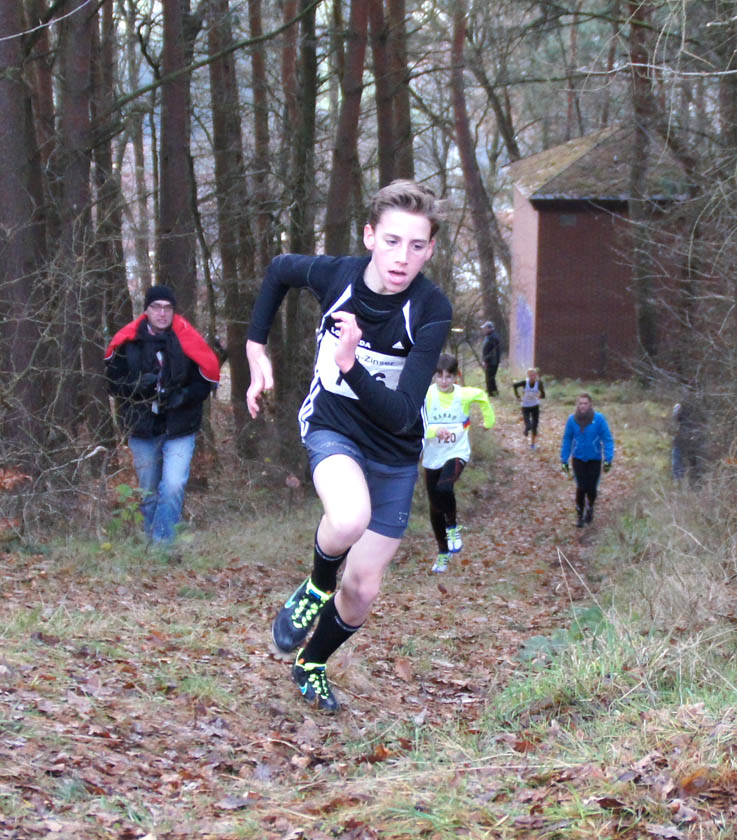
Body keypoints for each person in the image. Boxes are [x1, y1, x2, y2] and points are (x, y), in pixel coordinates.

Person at [246, 180, 451, 713]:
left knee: (361, 590)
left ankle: (311, 662)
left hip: (394, 452)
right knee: (348, 518)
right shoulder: (336, 276)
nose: (402, 257)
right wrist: (254, 348)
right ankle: (316, 586)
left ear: (430, 250)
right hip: (333, 426)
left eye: (416, 246)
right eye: (392, 241)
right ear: (369, 237)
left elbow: (403, 412)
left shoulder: (431, 309)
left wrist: (350, 364)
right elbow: (279, 270)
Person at [104, 285, 220, 544]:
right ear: (146, 310)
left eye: (168, 308)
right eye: (156, 307)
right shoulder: (128, 342)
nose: (162, 313)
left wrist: (184, 395)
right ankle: (150, 541)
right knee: (148, 490)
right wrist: (137, 387)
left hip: (180, 426)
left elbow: (205, 381)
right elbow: (112, 384)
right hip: (142, 427)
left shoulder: (187, 339)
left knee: (174, 485)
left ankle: (162, 545)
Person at [421, 353, 495, 573]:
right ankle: (443, 552)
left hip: (457, 452)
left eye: (448, 377)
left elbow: (482, 396)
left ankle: (453, 527)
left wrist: (489, 420)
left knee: (445, 487)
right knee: (435, 507)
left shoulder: (463, 395)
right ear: (434, 376)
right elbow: (417, 423)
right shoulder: (427, 395)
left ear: (456, 376)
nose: (444, 381)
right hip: (432, 456)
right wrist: (435, 431)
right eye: (439, 376)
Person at [560, 393, 614, 527]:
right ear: (577, 405)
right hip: (578, 458)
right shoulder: (572, 420)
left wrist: (608, 459)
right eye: (580, 403)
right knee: (581, 487)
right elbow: (567, 439)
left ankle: (590, 507)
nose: (583, 406)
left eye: (585, 403)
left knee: (591, 488)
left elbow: (607, 439)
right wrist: (564, 459)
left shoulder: (599, 419)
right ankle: (579, 515)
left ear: (590, 405)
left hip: (594, 458)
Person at [513, 368, 546, 449]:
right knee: (528, 424)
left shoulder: (539, 383)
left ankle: (533, 444)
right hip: (525, 406)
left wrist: (539, 396)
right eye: (530, 375)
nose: (532, 377)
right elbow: (514, 385)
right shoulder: (525, 382)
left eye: (533, 375)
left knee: (535, 425)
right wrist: (518, 396)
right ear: (528, 376)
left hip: (535, 406)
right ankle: (527, 429)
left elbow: (543, 394)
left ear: (536, 375)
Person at [480, 321, 501, 396]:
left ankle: (491, 393)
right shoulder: (489, 336)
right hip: (491, 360)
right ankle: (493, 391)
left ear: (489, 328)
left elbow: (492, 352)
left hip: (492, 361)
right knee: (490, 377)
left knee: (490, 377)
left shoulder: (492, 337)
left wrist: (486, 360)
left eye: (485, 328)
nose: (484, 330)